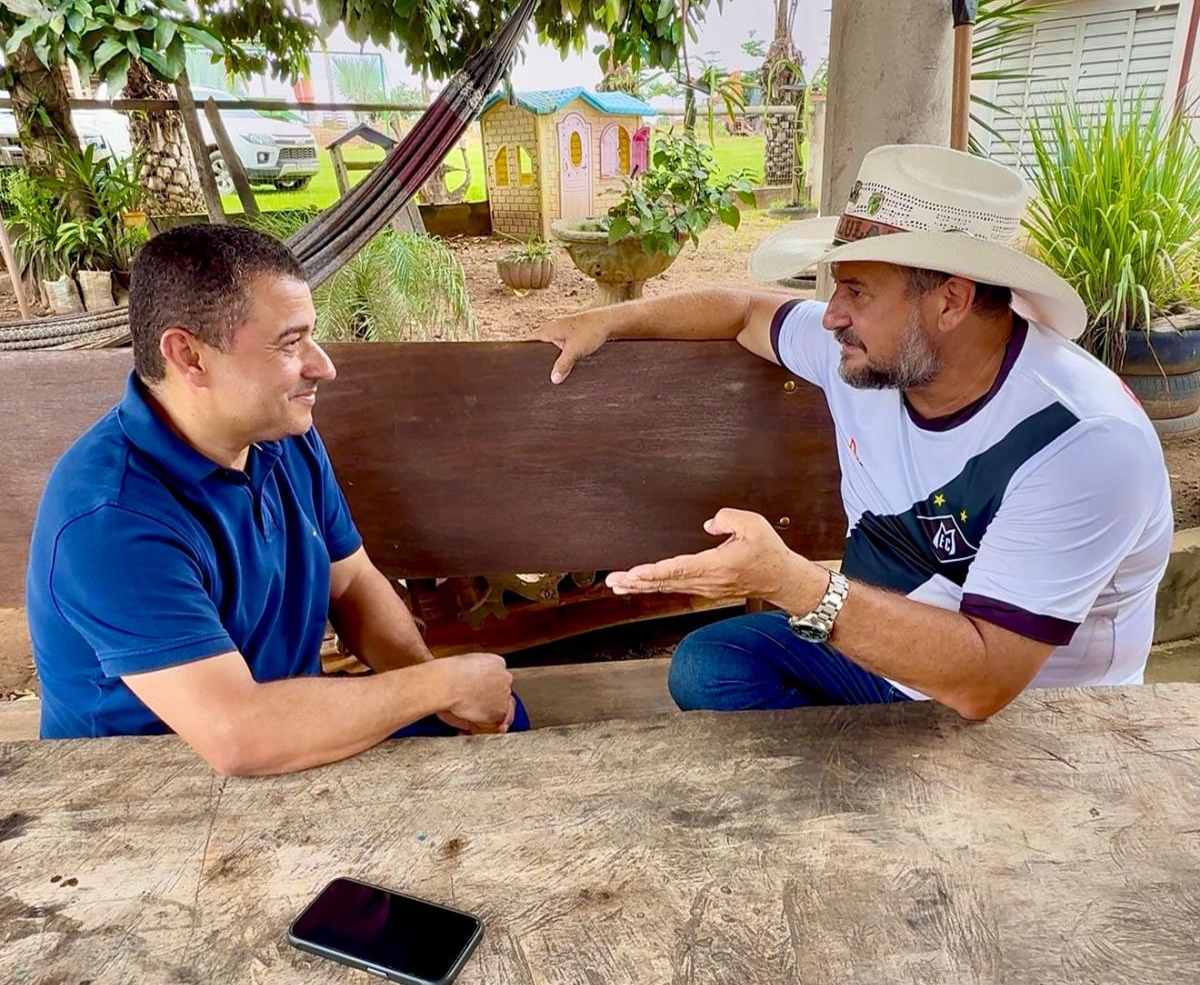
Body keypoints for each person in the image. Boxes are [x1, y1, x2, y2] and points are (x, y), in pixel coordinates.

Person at [535, 144, 1173, 720]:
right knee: (709, 666)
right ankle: (864, 778)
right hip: (879, 655)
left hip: (1030, 715)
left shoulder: (1082, 441)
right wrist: (610, 320)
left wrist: (790, 582)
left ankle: (871, 787)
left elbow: (985, 682)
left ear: (951, 301)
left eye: (858, 292)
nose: (832, 316)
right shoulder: (871, 355)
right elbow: (745, 309)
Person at [27, 223, 524, 775]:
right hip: (147, 777)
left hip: (286, 720)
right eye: (290, 343)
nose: (323, 366)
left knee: (499, 723)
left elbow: (351, 583)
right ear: (189, 356)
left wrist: (437, 691)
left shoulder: (280, 435)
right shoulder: (109, 518)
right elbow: (239, 736)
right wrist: (438, 685)